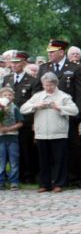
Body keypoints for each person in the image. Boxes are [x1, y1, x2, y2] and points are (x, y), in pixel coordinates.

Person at [34, 39, 81, 186]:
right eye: (49, 52)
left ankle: (73, 177)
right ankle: (52, 178)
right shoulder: (44, 68)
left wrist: (76, 113)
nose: (49, 54)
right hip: (48, 114)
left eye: (52, 52)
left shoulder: (75, 67)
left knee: (72, 145)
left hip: (67, 114)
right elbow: (37, 90)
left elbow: (80, 93)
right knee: (51, 147)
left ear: (62, 52)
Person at [21, 72, 79, 193]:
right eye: (45, 85)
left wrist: (59, 107)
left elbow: (75, 110)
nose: (48, 87)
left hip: (59, 133)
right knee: (43, 160)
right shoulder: (37, 96)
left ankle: (59, 183)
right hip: (41, 133)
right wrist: (36, 105)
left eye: (50, 85)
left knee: (59, 160)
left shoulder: (63, 96)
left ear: (55, 84)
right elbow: (23, 109)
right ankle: (44, 184)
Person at [3, 51, 38, 184]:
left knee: (26, 148)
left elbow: (34, 101)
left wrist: (33, 122)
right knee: (11, 150)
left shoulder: (32, 80)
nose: (14, 65)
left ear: (24, 63)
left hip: (25, 120)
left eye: (17, 63)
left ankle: (28, 175)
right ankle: (14, 175)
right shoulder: (7, 79)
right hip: (9, 121)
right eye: (12, 62)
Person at [0, 86, 24, 189]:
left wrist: (8, 129)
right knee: (1, 161)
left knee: (14, 161)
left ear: (13, 97)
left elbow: (20, 123)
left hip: (12, 138)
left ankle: (14, 181)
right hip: (1, 139)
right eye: (5, 95)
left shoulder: (15, 108)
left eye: (10, 95)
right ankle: (1, 181)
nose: (7, 97)